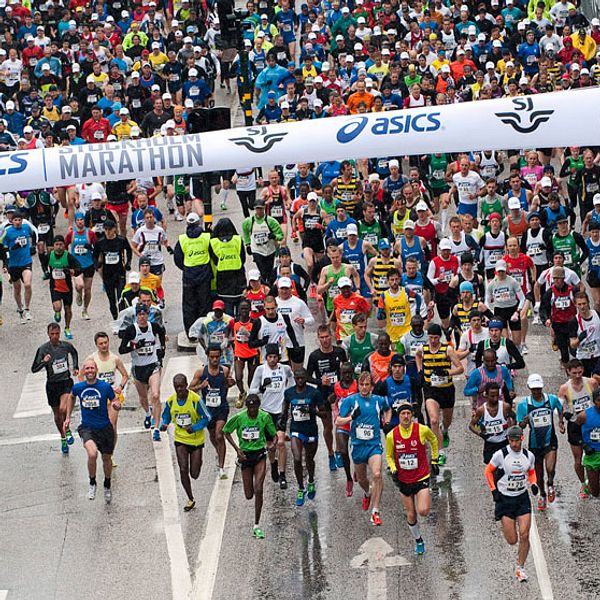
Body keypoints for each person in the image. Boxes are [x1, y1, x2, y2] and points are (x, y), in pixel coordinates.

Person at [485, 425, 539, 583]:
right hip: (505, 500)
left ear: (522, 438)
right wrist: (493, 490)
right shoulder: (500, 455)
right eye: (511, 440)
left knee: (525, 534)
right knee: (512, 540)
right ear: (508, 440)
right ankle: (508, 527)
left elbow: (531, 472)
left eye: (517, 440)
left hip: (522, 498)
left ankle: (520, 568)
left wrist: (533, 484)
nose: (514, 444)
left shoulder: (529, 456)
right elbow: (488, 471)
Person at [337, 371, 391, 526]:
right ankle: (367, 493)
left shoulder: (378, 400)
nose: (364, 388)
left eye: (367, 384)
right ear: (358, 385)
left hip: (374, 444)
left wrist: (386, 422)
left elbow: (388, 409)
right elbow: (338, 422)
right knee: (362, 480)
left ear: (371, 386)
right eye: (362, 384)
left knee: (377, 474)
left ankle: (375, 511)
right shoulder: (350, 401)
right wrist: (351, 418)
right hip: (358, 446)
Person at [386, 402, 439, 555]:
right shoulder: (392, 436)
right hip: (404, 479)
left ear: (412, 415)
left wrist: (435, 459)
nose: (406, 416)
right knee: (411, 514)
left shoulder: (422, 430)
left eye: (408, 413)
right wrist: (394, 469)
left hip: (421, 476)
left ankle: (425, 502)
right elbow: (389, 456)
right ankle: (418, 539)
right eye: (403, 414)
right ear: (399, 416)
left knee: (423, 511)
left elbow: (433, 441)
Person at [223, 394, 277, 538]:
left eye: (255, 407)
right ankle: (241, 467)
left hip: (259, 455)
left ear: (259, 406)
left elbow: (274, 435)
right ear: (247, 407)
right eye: (250, 407)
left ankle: (256, 525)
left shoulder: (264, 417)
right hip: (245, 456)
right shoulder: (240, 417)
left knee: (259, 488)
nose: (252, 410)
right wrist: (237, 450)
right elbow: (226, 432)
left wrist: (272, 444)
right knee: (249, 495)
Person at [67, 358, 119, 504]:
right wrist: (67, 417)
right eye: (87, 368)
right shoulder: (79, 387)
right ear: (83, 371)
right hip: (87, 428)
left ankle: (107, 484)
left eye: (92, 368)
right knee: (92, 453)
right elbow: (71, 398)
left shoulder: (104, 387)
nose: (89, 371)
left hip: (105, 428)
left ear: (96, 370)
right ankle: (92, 483)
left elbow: (114, 400)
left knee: (107, 459)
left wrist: (116, 405)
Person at [161, 373, 211, 511]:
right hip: (180, 438)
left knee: (194, 474)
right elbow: (166, 416)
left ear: (186, 385)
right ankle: (190, 498)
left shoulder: (195, 399)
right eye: (176, 387)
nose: (179, 390)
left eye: (182, 387)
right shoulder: (171, 401)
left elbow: (207, 417)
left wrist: (194, 427)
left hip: (195, 440)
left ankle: (198, 462)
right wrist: (164, 424)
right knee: (183, 469)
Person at [415, 323, 464, 465]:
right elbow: (417, 356)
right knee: (434, 420)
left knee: (446, 420)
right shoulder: (423, 349)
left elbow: (460, 368)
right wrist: (420, 371)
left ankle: (445, 430)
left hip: (447, 389)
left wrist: (447, 372)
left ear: (439, 337)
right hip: (431, 389)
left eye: (436, 338)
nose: (433, 341)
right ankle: (439, 452)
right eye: (430, 337)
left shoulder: (447, 350)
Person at [249, 343, 295, 489]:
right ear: (266, 357)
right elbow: (252, 390)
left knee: (280, 443)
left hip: (281, 410)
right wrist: (262, 388)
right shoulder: (260, 370)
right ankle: (273, 464)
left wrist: (288, 396)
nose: (273, 360)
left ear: (278, 357)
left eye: (275, 357)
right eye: (270, 357)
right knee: (270, 446)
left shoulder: (285, 369)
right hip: (266, 411)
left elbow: (292, 382)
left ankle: (282, 475)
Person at [118, 303, 166, 441]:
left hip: (153, 365)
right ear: (136, 315)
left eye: (144, 314)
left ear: (148, 314)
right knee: (144, 397)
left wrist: (162, 347)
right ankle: (147, 412)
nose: (142, 317)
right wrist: (135, 346)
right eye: (139, 314)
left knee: (156, 395)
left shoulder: (154, 327)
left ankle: (156, 428)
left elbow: (162, 333)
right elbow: (121, 349)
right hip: (138, 368)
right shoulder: (131, 330)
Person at [516, 374, 564, 511]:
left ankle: (550, 483)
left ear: (542, 386)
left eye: (538, 388)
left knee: (550, 468)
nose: (536, 391)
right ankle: (542, 494)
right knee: (538, 473)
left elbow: (560, 409)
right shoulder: (524, 404)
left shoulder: (551, 399)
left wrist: (560, 422)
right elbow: (520, 425)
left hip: (550, 440)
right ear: (529, 388)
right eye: (533, 389)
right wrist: (524, 422)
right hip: (535, 443)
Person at [31, 323, 79, 454]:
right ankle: (63, 437)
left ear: (60, 333)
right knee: (57, 415)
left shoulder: (65, 346)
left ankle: (67, 429)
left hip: (65, 382)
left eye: (57, 334)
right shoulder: (43, 349)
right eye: (52, 334)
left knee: (64, 408)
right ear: (48, 334)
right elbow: (34, 369)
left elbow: (74, 353)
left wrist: (75, 367)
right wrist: (44, 362)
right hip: (52, 385)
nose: (54, 336)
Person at [280, 368, 325, 506]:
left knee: (309, 459)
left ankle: (310, 480)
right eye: (297, 378)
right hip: (296, 430)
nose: (300, 381)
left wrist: (312, 410)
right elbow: (285, 407)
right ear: (294, 378)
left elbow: (324, 414)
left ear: (306, 377)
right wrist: (282, 419)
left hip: (310, 430)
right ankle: (300, 488)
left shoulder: (314, 393)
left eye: (302, 378)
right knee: (297, 458)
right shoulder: (289, 393)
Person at [189, 346, 235, 480]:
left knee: (219, 435)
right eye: (212, 357)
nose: (214, 359)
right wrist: (200, 386)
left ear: (220, 356)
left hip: (222, 407)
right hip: (208, 410)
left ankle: (221, 467)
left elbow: (228, 383)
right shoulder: (201, 372)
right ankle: (219, 451)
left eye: (217, 357)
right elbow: (189, 389)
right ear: (207, 356)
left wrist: (231, 383)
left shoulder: (224, 370)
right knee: (213, 436)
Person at [307, 324, 348, 471]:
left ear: (331, 336)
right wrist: (319, 381)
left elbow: (346, 370)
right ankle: (330, 452)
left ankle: (338, 452)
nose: (325, 340)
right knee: (327, 426)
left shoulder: (340, 352)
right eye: (322, 337)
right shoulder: (314, 356)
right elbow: (306, 376)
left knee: (339, 424)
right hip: (322, 395)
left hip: (338, 394)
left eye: (327, 337)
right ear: (318, 339)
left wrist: (344, 384)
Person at [558, 359, 598, 498]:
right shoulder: (564, 388)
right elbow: (559, 407)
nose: (577, 375)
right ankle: (583, 484)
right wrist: (561, 421)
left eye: (580, 372)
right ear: (568, 372)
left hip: (591, 423)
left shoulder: (591, 383)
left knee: (594, 453)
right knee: (578, 459)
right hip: (575, 425)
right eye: (574, 373)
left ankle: (593, 480)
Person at [88, 332, 128, 466]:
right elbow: (82, 376)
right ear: (96, 345)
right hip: (98, 397)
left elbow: (125, 375)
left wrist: (120, 387)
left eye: (106, 342)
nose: (104, 345)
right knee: (99, 426)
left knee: (111, 425)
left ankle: (110, 454)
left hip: (113, 397)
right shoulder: (92, 359)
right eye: (101, 343)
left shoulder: (114, 358)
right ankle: (102, 449)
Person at [173, 212, 213, 335]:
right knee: (204, 304)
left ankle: (191, 332)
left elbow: (178, 259)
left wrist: (186, 268)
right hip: (204, 276)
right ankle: (203, 331)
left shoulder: (182, 239)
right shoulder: (207, 237)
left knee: (189, 305)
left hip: (189, 277)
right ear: (198, 223)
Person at [1, 209, 36, 322]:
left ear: (22, 220)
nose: (18, 222)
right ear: (12, 221)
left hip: (26, 261)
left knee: (27, 284)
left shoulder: (26, 228)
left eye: (19, 220)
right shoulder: (7, 231)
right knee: (17, 288)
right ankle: (20, 309)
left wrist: (33, 246)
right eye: (15, 220)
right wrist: (11, 249)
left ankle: (27, 309)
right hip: (13, 264)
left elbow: (34, 233)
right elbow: (2, 246)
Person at [93, 220, 131, 322]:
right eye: (105, 230)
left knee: (121, 297)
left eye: (109, 229)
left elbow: (129, 250)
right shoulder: (100, 242)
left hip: (119, 273)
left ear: (114, 229)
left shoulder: (121, 240)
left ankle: (122, 320)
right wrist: (97, 265)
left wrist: (128, 263)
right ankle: (115, 318)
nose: (108, 232)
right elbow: (94, 255)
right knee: (112, 300)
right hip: (107, 274)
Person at [469, 381, 515, 464]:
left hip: (504, 443)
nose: (495, 398)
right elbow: (471, 425)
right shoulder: (481, 410)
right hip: (490, 444)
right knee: (492, 471)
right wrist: (480, 434)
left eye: (497, 395)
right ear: (486, 395)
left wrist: (511, 430)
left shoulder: (505, 406)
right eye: (492, 396)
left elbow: (514, 417)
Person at [331, 362, 358, 496]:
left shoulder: (357, 385)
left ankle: (357, 469)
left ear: (352, 372)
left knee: (357, 451)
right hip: (343, 422)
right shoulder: (336, 386)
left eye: (349, 373)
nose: (347, 376)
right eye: (344, 373)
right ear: (340, 374)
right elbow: (332, 401)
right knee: (343, 451)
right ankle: (348, 479)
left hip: (356, 422)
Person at [242, 199, 284, 285]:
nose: (259, 211)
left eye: (261, 208)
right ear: (254, 209)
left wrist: (274, 236)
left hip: (269, 249)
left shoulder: (271, 221)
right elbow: (245, 232)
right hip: (257, 249)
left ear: (264, 208)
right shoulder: (248, 222)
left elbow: (280, 235)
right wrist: (247, 244)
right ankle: (263, 285)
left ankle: (268, 286)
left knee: (269, 271)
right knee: (262, 270)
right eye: (257, 209)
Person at [47, 235, 81, 339]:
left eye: (61, 244)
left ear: (64, 245)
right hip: (55, 286)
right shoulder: (49, 255)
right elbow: (44, 263)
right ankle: (57, 312)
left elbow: (79, 268)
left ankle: (67, 328)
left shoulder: (68, 256)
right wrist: (46, 272)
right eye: (56, 245)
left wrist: (72, 271)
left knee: (68, 309)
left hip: (67, 287)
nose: (59, 247)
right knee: (57, 307)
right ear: (53, 246)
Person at [65, 212, 97, 320]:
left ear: (84, 221)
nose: (80, 222)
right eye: (78, 220)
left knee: (88, 289)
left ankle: (85, 309)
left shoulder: (90, 233)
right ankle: (78, 293)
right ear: (75, 221)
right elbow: (65, 245)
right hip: (76, 265)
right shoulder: (71, 234)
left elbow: (96, 247)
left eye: (82, 220)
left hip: (88, 263)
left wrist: (90, 247)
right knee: (80, 285)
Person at [233, 299, 259, 408]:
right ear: (238, 310)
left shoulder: (254, 322)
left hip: (252, 354)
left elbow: (259, 338)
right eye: (242, 308)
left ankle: (252, 397)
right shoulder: (234, 322)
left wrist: (249, 336)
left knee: (251, 380)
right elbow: (229, 334)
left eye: (246, 308)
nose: (244, 311)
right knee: (238, 377)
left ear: (250, 310)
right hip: (239, 354)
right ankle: (242, 393)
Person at [575, 388, 600, 498]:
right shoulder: (584, 416)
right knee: (595, 492)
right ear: (594, 401)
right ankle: (588, 482)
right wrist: (584, 445)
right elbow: (573, 432)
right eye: (599, 400)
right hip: (592, 454)